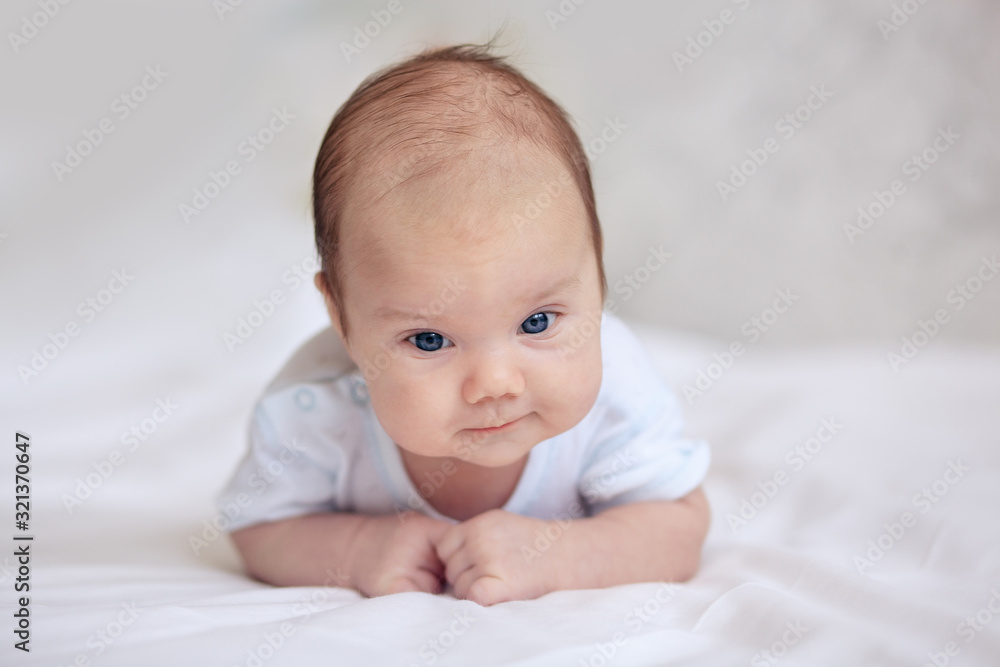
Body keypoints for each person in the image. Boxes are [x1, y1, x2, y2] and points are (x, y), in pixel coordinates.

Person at [217, 40, 711, 607]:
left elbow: (680, 526)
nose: (496, 382)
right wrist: (359, 547)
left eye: (537, 322)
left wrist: (563, 555)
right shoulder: (314, 410)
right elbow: (258, 529)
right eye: (429, 339)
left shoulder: (618, 384)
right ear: (342, 319)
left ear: (597, 276)